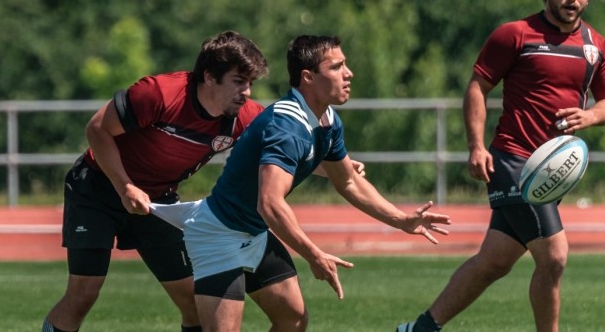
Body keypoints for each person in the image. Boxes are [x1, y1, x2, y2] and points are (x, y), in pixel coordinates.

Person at [397, 0, 605, 332]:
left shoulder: (595, 45)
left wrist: (591, 115)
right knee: (554, 257)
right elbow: (477, 88)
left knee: (494, 261)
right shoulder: (515, 34)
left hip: (551, 169)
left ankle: (419, 329)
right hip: (513, 160)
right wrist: (476, 146)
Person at [177, 35, 452, 331]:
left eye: (345, 65)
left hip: (253, 233)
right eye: (337, 67)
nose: (349, 73)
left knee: (293, 320)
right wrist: (314, 254)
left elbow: (348, 181)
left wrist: (402, 220)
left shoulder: (328, 121)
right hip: (219, 234)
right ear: (308, 77)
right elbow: (270, 203)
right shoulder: (287, 126)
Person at [42, 31, 269, 332]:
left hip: (157, 203)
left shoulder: (245, 117)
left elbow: (284, 150)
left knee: (192, 301)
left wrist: (339, 165)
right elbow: (97, 129)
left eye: (250, 83)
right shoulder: (159, 94)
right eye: (239, 82)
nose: (247, 92)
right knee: (84, 293)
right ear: (210, 77)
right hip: (96, 189)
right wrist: (124, 186)